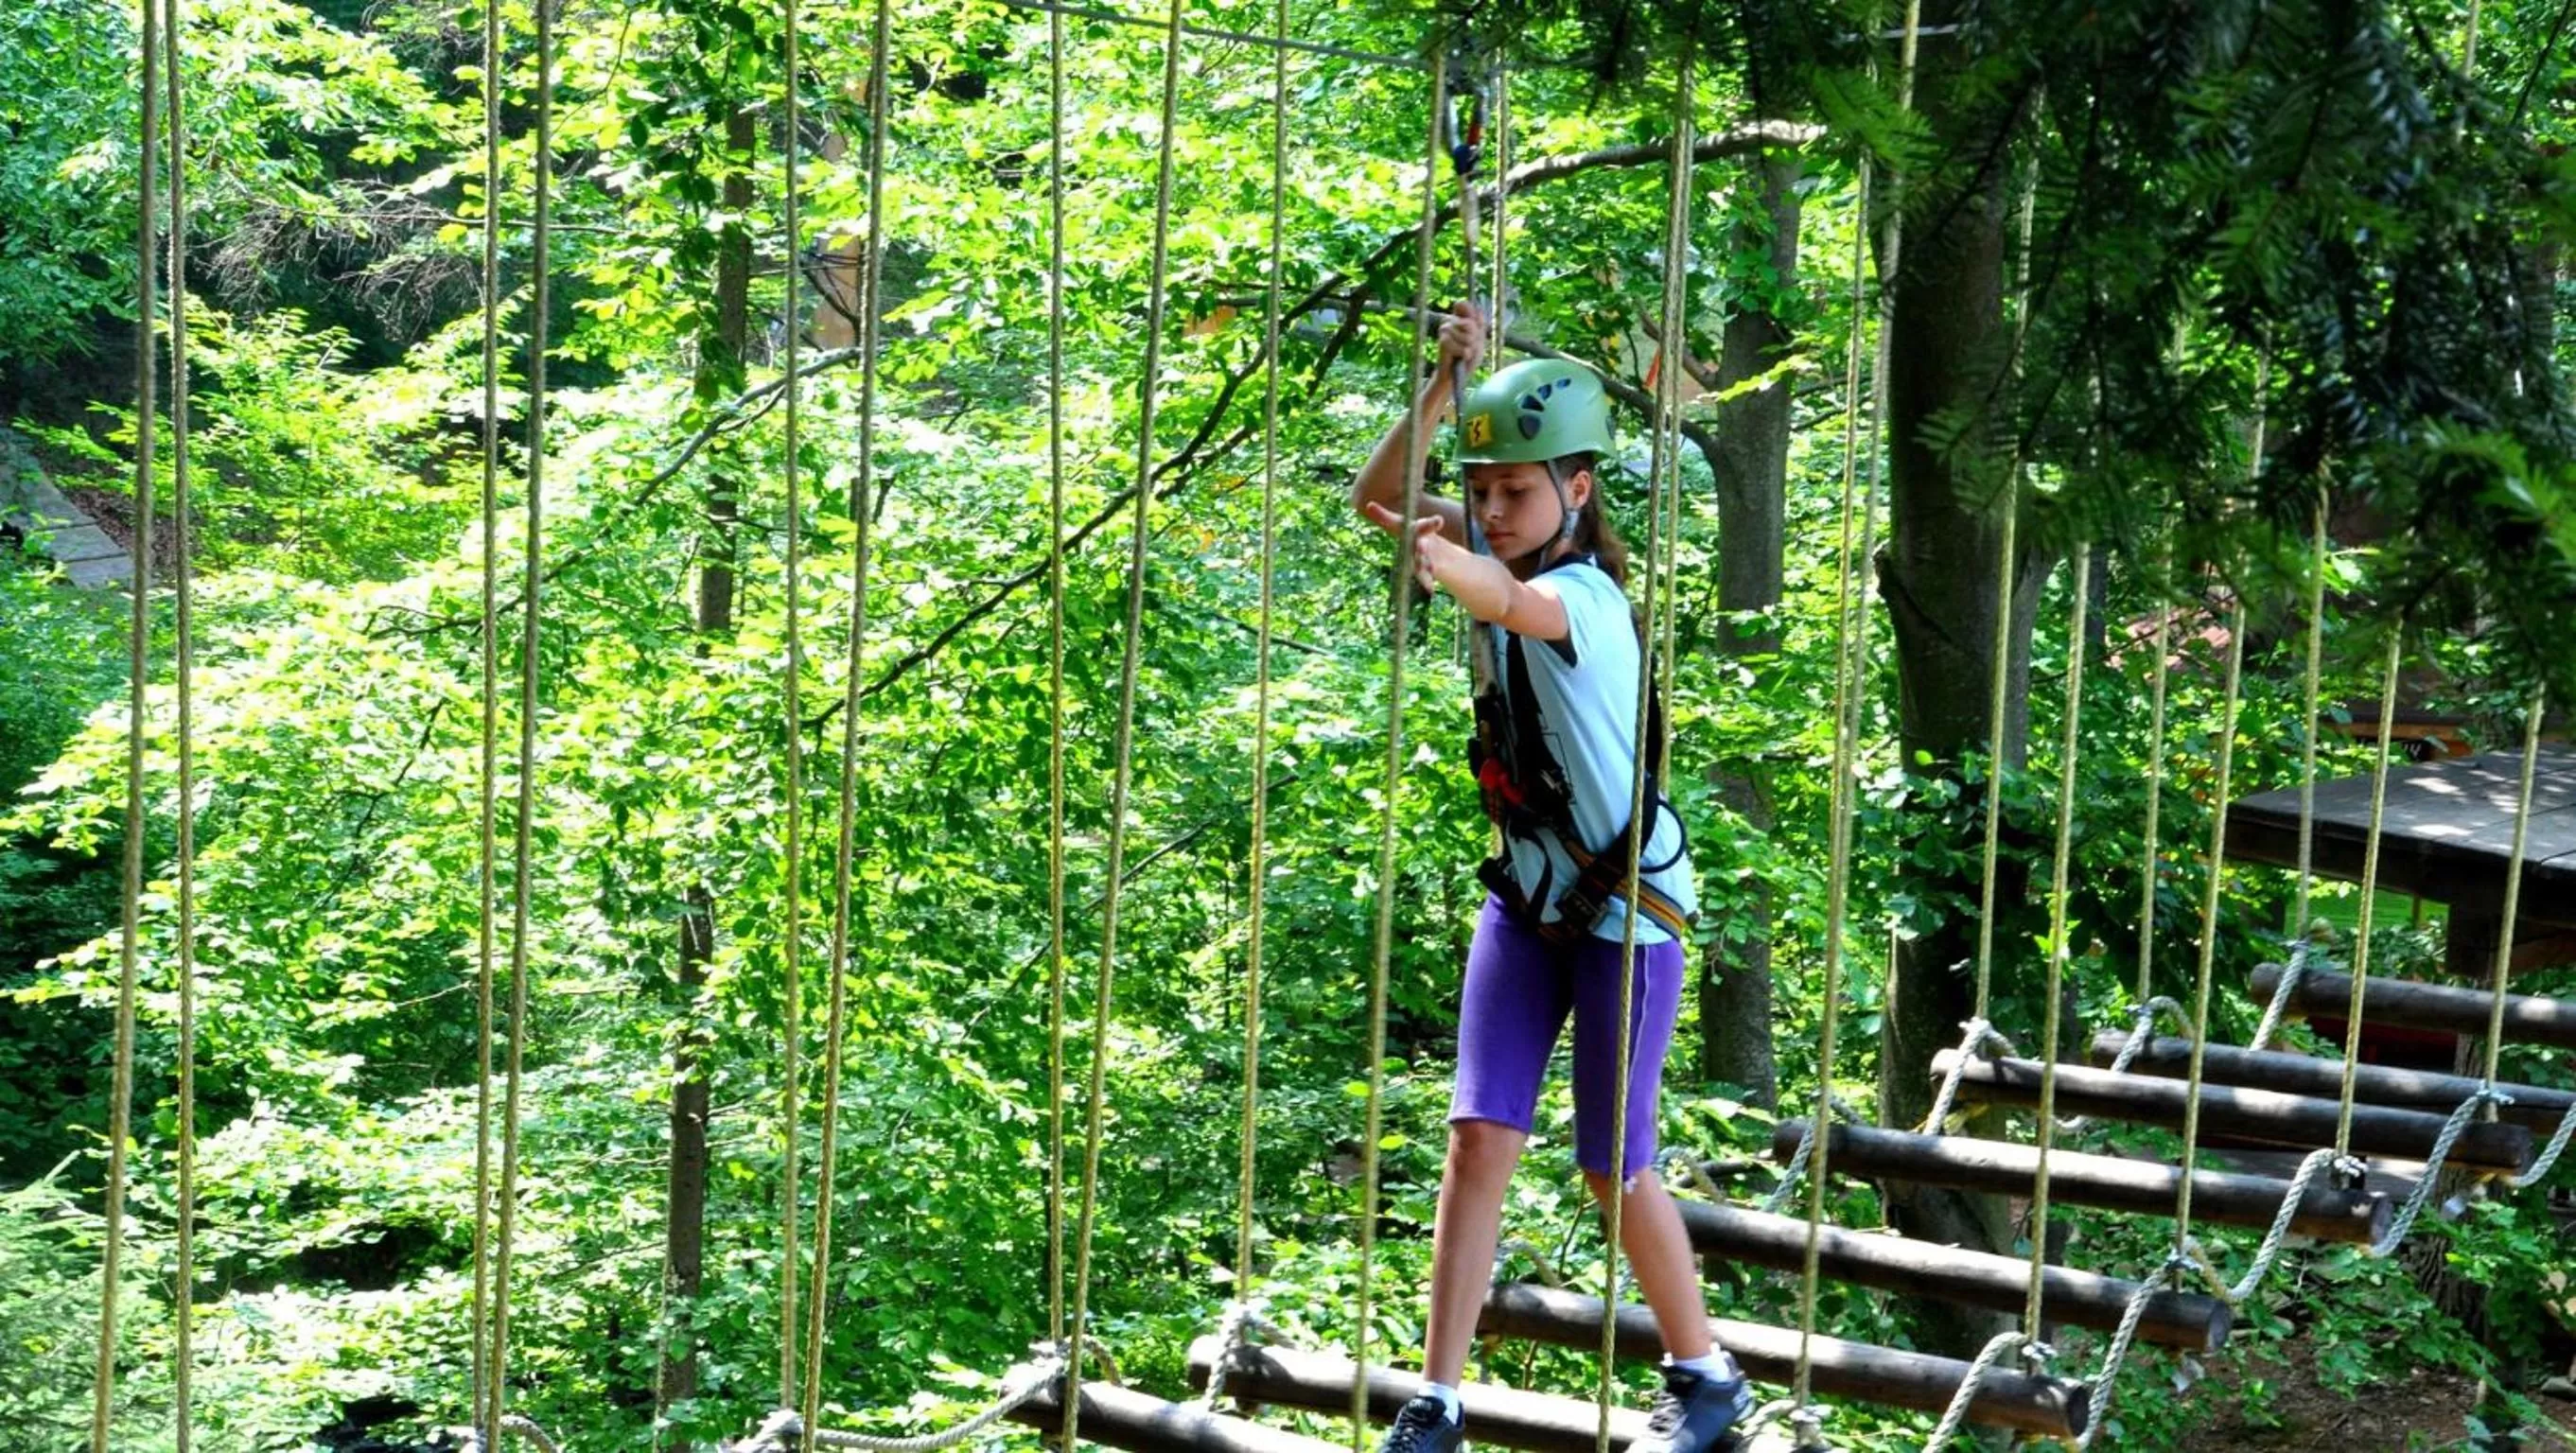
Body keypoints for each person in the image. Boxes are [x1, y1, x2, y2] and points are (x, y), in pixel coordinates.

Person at [1347, 303, 1749, 1453]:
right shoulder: (1491, 550)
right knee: (1477, 1138)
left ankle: (1704, 1374)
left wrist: (1446, 550)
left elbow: (1503, 601)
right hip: (1525, 900)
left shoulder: (1581, 599)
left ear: (1575, 490)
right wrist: (1439, 385)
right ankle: (1439, 1397)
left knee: (1608, 1166)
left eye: (1513, 493)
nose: (1491, 511)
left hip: (1624, 911)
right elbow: (1377, 499)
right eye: (1481, 492)